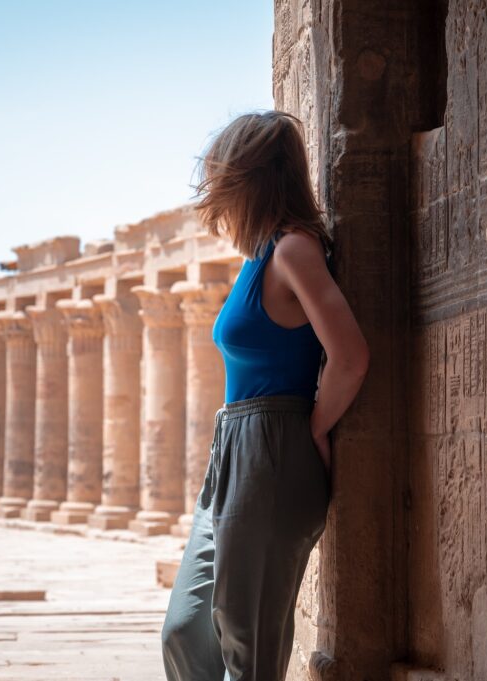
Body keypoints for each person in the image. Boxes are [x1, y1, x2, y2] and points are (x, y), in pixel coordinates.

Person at [160, 110, 369, 681]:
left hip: (273, 449)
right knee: (184, 629)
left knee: (247, 648)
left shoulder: (293, 250)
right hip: (232, 450)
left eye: (223, 177)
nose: (216, 192)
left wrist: (314, 427)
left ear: (252, 178)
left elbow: (350, 356)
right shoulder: (258, 256)